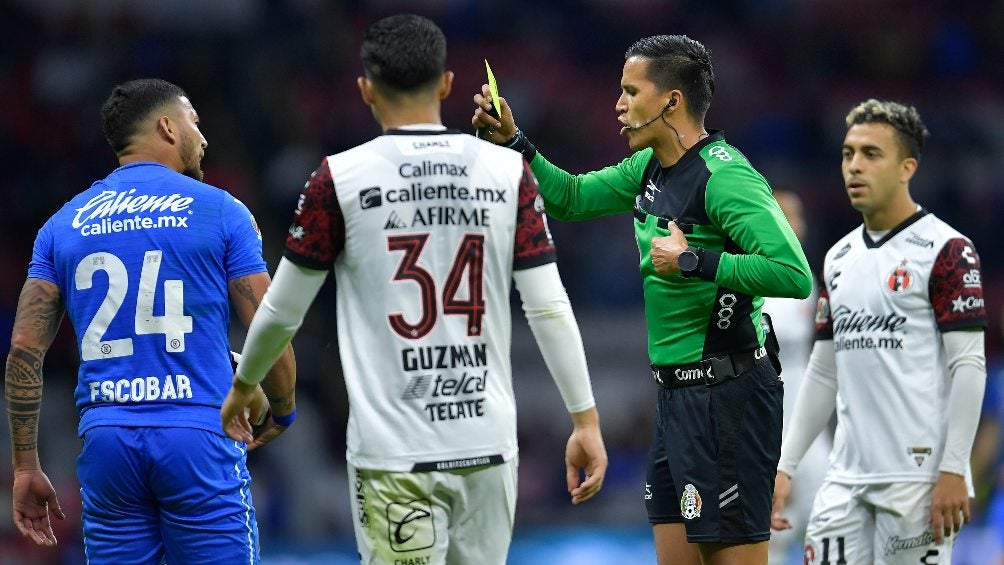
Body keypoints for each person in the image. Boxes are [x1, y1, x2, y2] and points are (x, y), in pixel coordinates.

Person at [219, 14, 607, 565]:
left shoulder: (338, 178)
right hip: (486, 448)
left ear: (366, 89)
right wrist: (584, 419)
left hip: (393, 456)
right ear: (447, 83)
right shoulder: (508, 172)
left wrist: (245, 382)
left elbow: (282, 310)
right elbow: (547, 305)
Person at [473, 34, 812, 565]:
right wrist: (516, 143)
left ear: (671, 101)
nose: (619, 103)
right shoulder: (649, 169)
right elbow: (570, 197)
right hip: (676, 400)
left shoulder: (726, 177)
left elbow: (793, 274)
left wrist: (694, 261)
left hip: (730, 399)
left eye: (631, 91)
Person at [5, 78, 296, 564]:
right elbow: (270, 329)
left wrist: (24, 466)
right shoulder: (222, 211)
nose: (202, 138)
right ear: (167, 126)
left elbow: (23, 352)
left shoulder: (62, 225)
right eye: (194, 123)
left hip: (108, 443)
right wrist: (283, 409)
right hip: (197, 437)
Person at [771, 99, 987, 564]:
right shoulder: (837, 259)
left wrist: (954, 469)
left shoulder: (948, 250)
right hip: (843, 479)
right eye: (848, 154)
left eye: (871, 154)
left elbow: (969, 365)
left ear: (907, 166)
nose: (854, 166)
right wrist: (786, 466)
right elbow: (824, 371)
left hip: (918, 480)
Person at [762, 190, 832, 565]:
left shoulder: (808, 280)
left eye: (799, 216)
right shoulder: (746, 280)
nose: (797, 225)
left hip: (807, 425)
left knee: (825, 525)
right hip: (767, 424)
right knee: (771, 538)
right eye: (787, 216)